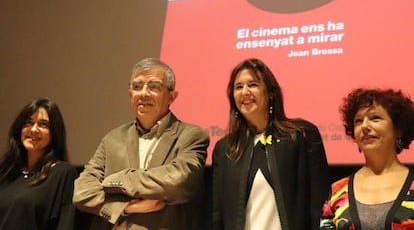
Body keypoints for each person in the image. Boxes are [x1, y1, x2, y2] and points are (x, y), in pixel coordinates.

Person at [72, 57, 210, 230]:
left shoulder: (191, 135)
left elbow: (177, 183)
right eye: (137, 86)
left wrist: (120, 180)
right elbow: (81, 193)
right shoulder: (112, 139)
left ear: (172, 97)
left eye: (154, 86)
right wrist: (127, 207)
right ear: (130, 93)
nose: (144, 93)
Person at [212, 58, 330, 230]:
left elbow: (320, 205)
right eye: (238, 87)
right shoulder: (225, 149)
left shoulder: (301, 135)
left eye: (252, 84)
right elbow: (218, 215)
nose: (245, 92)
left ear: (270, 93)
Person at [320, 88, 414, 230]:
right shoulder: (337, 190)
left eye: (375, 118)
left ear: (398, 129)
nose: (365, 126)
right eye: (358, 121)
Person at [0, 97, 79, 230]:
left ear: (54, 133)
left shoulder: (62, 173)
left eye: (43, 125)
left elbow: (66, 223)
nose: (34, 130)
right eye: (28, 123)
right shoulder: (6, 171)